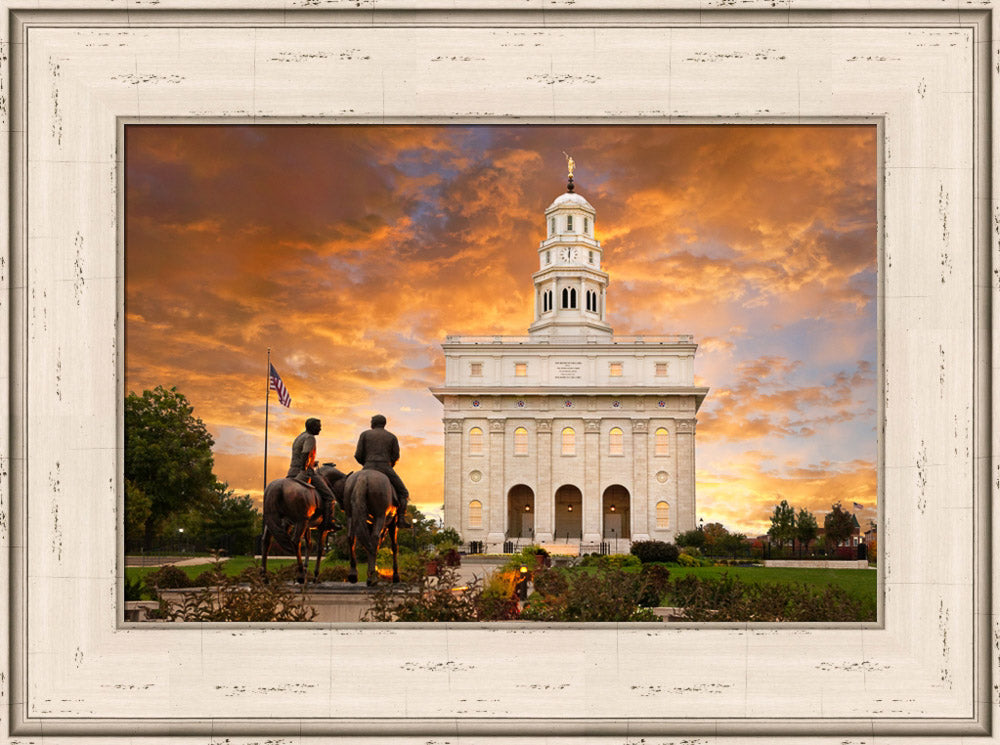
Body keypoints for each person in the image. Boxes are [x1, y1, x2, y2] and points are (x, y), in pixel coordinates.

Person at [354, 414, 411, 527]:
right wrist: (389, 465)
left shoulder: (364, 434)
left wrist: (366, 464)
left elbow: (358, 455)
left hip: (367, 466)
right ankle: (401, 518)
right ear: (384, 424)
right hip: (385, 467)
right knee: (404, 493)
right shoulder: (391, 437)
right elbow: (396, 456)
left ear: (373, 423)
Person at [287, 417, 336, 530]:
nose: (320, 429)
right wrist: (306, 467)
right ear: (312, 427)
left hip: (292, 471)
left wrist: (312, 462)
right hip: (305, 472)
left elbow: (300, 456)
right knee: (330, 497)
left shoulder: (299, 437)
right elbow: (305, 454)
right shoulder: (310, 438)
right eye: (319, 426)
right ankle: (328, 523)